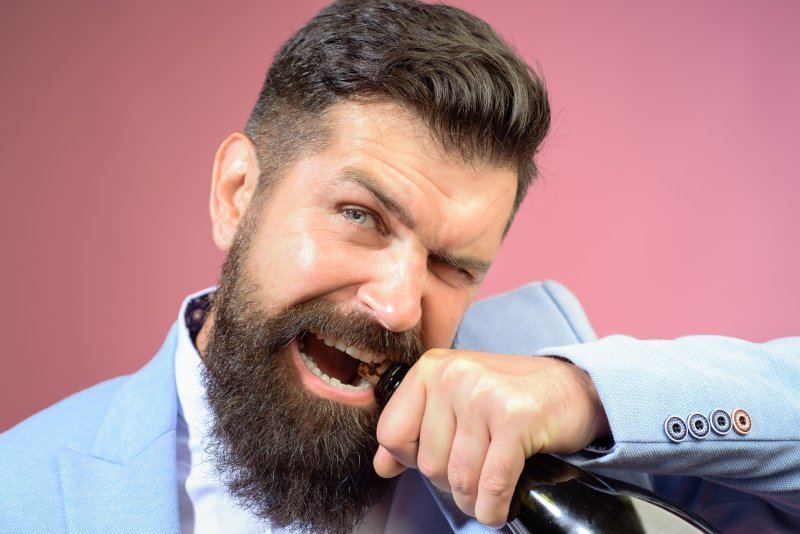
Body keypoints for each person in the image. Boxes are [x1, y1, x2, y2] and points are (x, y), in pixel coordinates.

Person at [1, 0, 798, 532]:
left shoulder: (547, 382)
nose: (398, 306)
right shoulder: (24, 489)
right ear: (238, 192)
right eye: (361, 217)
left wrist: (585, 394)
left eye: (454, 265)